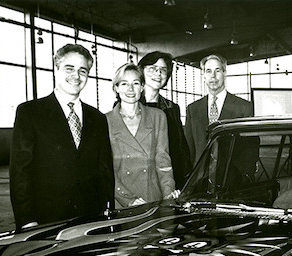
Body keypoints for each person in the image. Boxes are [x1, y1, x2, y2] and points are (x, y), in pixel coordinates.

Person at [9, 43, 115, 231]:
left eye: (83, 71)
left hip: (90, 219)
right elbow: (20, 172)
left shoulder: (97, 118)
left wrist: (107, 212)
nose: (76, 76)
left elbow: (105, 171)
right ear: (56, 69)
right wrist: (27, 220)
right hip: (45, 220)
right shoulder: (30, 112)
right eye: (69, 69)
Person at [106, 63, 179, 208]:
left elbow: (163, 160)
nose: (130, 89)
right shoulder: (104, 121)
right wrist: (128, 200)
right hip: (122, 202)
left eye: (136, 83)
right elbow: (106, 171)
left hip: (152, 197)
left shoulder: (158, 116)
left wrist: (168, 193)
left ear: (142, 87)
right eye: (124, 84)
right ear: (116, 88)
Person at [184, 53, 253, 165]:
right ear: (204, 76)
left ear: (224, 73)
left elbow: (250, 148)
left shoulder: (243, 107)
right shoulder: (193, 109)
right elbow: (188, 148)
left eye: (218, 70)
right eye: (208, 71)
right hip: (199, 178)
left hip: (232, 178)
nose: (213, 76)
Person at [138, 51, 192, 189]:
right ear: (141, 71)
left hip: (168, 179)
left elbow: (181, 148)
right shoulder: (129, 106)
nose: (158, 74)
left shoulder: (172, 108)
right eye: (152, 69)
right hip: (139, 179)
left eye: (163, 70)